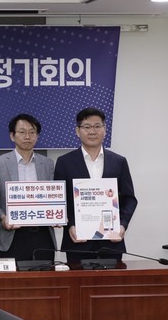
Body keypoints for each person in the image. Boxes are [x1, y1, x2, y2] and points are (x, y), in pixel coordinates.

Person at [54, 107, 138, 262]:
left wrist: (122, 225)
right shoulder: (64, 162)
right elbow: (60, 200)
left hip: (111, 242)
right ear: (77, 131)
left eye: (97, 126)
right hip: (77, 242)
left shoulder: (119, 162)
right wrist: (71, 225)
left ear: (105, 130)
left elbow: (129, 199)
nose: (92, 131)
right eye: (86, 127)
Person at [0, 114, 57, 261]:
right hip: (12, 236)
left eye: (32, 132)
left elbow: (54, 196)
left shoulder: (47, 164)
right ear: (12, 136)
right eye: (22, 132)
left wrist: (58, 213)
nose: (27, 136)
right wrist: (2, 217)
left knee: (45, 275)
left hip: (43, 235)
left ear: (37, 136)